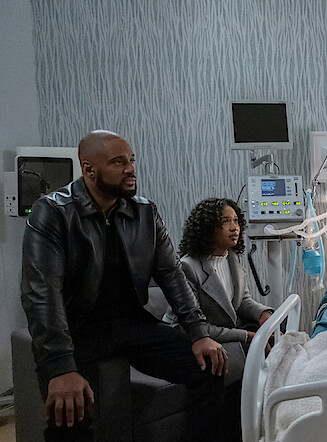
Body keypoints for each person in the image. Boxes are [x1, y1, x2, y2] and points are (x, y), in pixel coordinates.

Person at [21, 130, 228, 441]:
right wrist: (60, 365)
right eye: (118, 162)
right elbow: (42, 293)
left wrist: (199, 333)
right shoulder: (52, 212)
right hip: (77, 330)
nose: (131, 168)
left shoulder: (144, 211)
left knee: (209, 368)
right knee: (69, 410)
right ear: (89, 169)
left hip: (132, 324)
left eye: (131, 160)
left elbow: (172, 274)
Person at [172, 197, 273, 349]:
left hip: (229, 329)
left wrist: (262, 314)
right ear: (207, 228)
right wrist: (247, 336)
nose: (234, 228)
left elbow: (242, 301)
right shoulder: (188, 267)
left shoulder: (232, 259)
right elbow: (195, 326)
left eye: (236, 220)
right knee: (257, 347)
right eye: (225, 222)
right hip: (199, 337)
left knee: (278, 328)